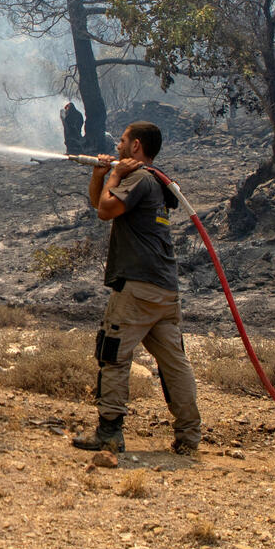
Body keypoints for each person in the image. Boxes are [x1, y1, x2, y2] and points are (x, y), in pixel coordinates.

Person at [72, 121, 201, 456]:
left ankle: (109, 435)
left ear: (136, 147)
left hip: (138, 289)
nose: (117, 145)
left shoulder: (140, 179)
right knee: (174, 362)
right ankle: (189, 437)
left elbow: (105, 211)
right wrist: (100, 175)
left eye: (123, 141)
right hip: (164, 291)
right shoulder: (153, 180)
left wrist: (113, 178)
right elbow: (100, 203)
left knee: (113, 355)